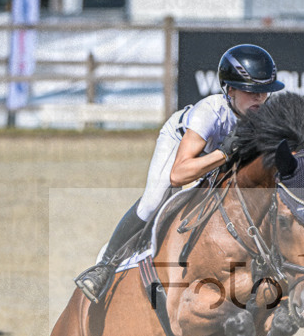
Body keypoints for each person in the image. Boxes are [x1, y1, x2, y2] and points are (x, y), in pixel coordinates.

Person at [74, 44, 285, 303]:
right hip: (179, 146)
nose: (260, 99)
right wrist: (223, 155)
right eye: (251, 92)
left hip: (214, 158)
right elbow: (178, 174)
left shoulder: (265, 119)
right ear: (229, 90)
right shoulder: (210, 113)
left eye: (264, 92)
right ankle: (104, 267)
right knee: (155, 199)